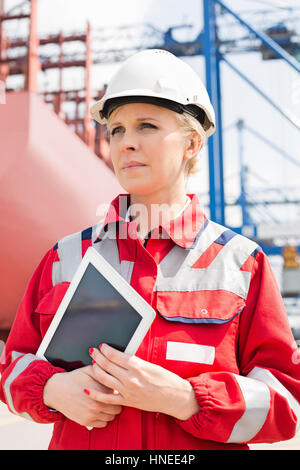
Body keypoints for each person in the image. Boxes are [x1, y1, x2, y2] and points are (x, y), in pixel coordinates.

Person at [1, 49, 300, 451]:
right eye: (117, 130)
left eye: (146, 126)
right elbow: (12, 366)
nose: (126, 144)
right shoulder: (64, 258)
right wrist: (53, 389)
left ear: (192, 143)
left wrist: (187, 399)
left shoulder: (240, 263)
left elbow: (286, 401)